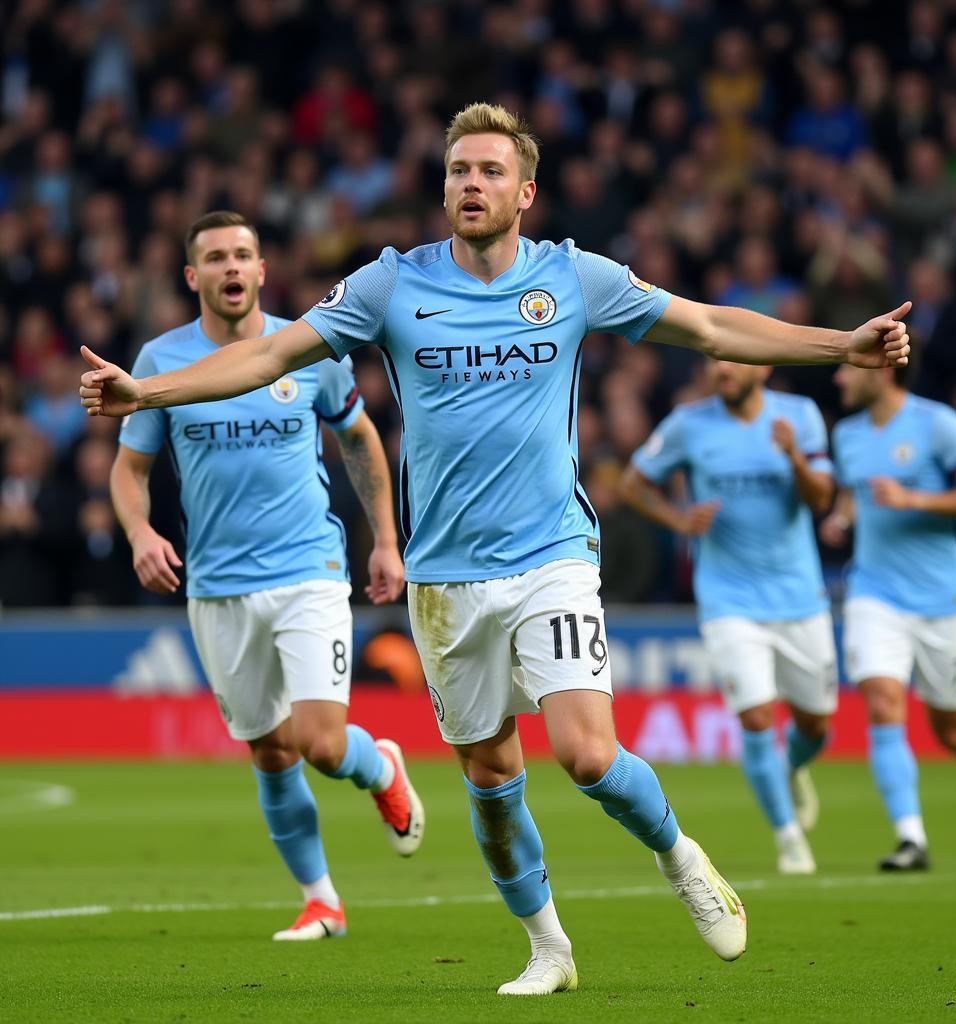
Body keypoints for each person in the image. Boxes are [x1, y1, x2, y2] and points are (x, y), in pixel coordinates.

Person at [82, 104, 911, 995]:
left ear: (525, 191)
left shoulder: (573, 277)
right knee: (489, 773)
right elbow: (271, 355)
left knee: (588, 754)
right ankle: (548, 948)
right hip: (444, 579)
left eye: (486, 171)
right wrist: (148, 393)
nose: (468, 185)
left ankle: (681, 858)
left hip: (552, 552)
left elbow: (709, 327)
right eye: (455, 172)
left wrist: (843, 349)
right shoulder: (390, 286)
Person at [107, 210, 424, 942]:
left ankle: (377, 766)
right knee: (270, 749)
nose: (230, 268)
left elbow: (359, 438)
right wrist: (139, 531)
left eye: (242, 255)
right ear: (193, 276)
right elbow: (130, 470)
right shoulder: (160, 361)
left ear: (261, 270)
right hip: (217, 586)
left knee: (318, 739)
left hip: (308, 569)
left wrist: (385, 542)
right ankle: (323, 900)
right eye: (214, 257)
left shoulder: (309, 348)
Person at [621, 360, 837, 875]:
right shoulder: (688, 423)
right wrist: (676, 518)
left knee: (816, 722)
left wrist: (794, 458)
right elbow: (633, 482)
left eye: (732, 360)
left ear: (761, 367)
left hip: (798, 596)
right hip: (727, 599)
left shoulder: (799, 417)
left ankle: (790, 769)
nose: (720, 368)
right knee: (757, 716)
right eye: (714, 360)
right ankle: (788, 838)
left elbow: (822, 499)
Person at [820, 363, 956, 871]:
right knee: (882, 700)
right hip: (874, 593)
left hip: (942, 599)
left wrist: (914, 498)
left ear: (882, 371)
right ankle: (910, 838)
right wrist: (841, 518)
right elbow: (857, 493)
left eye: (850, 369)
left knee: (950, 728)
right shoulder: (848, 434)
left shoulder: (937, 424)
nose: (839, 379)